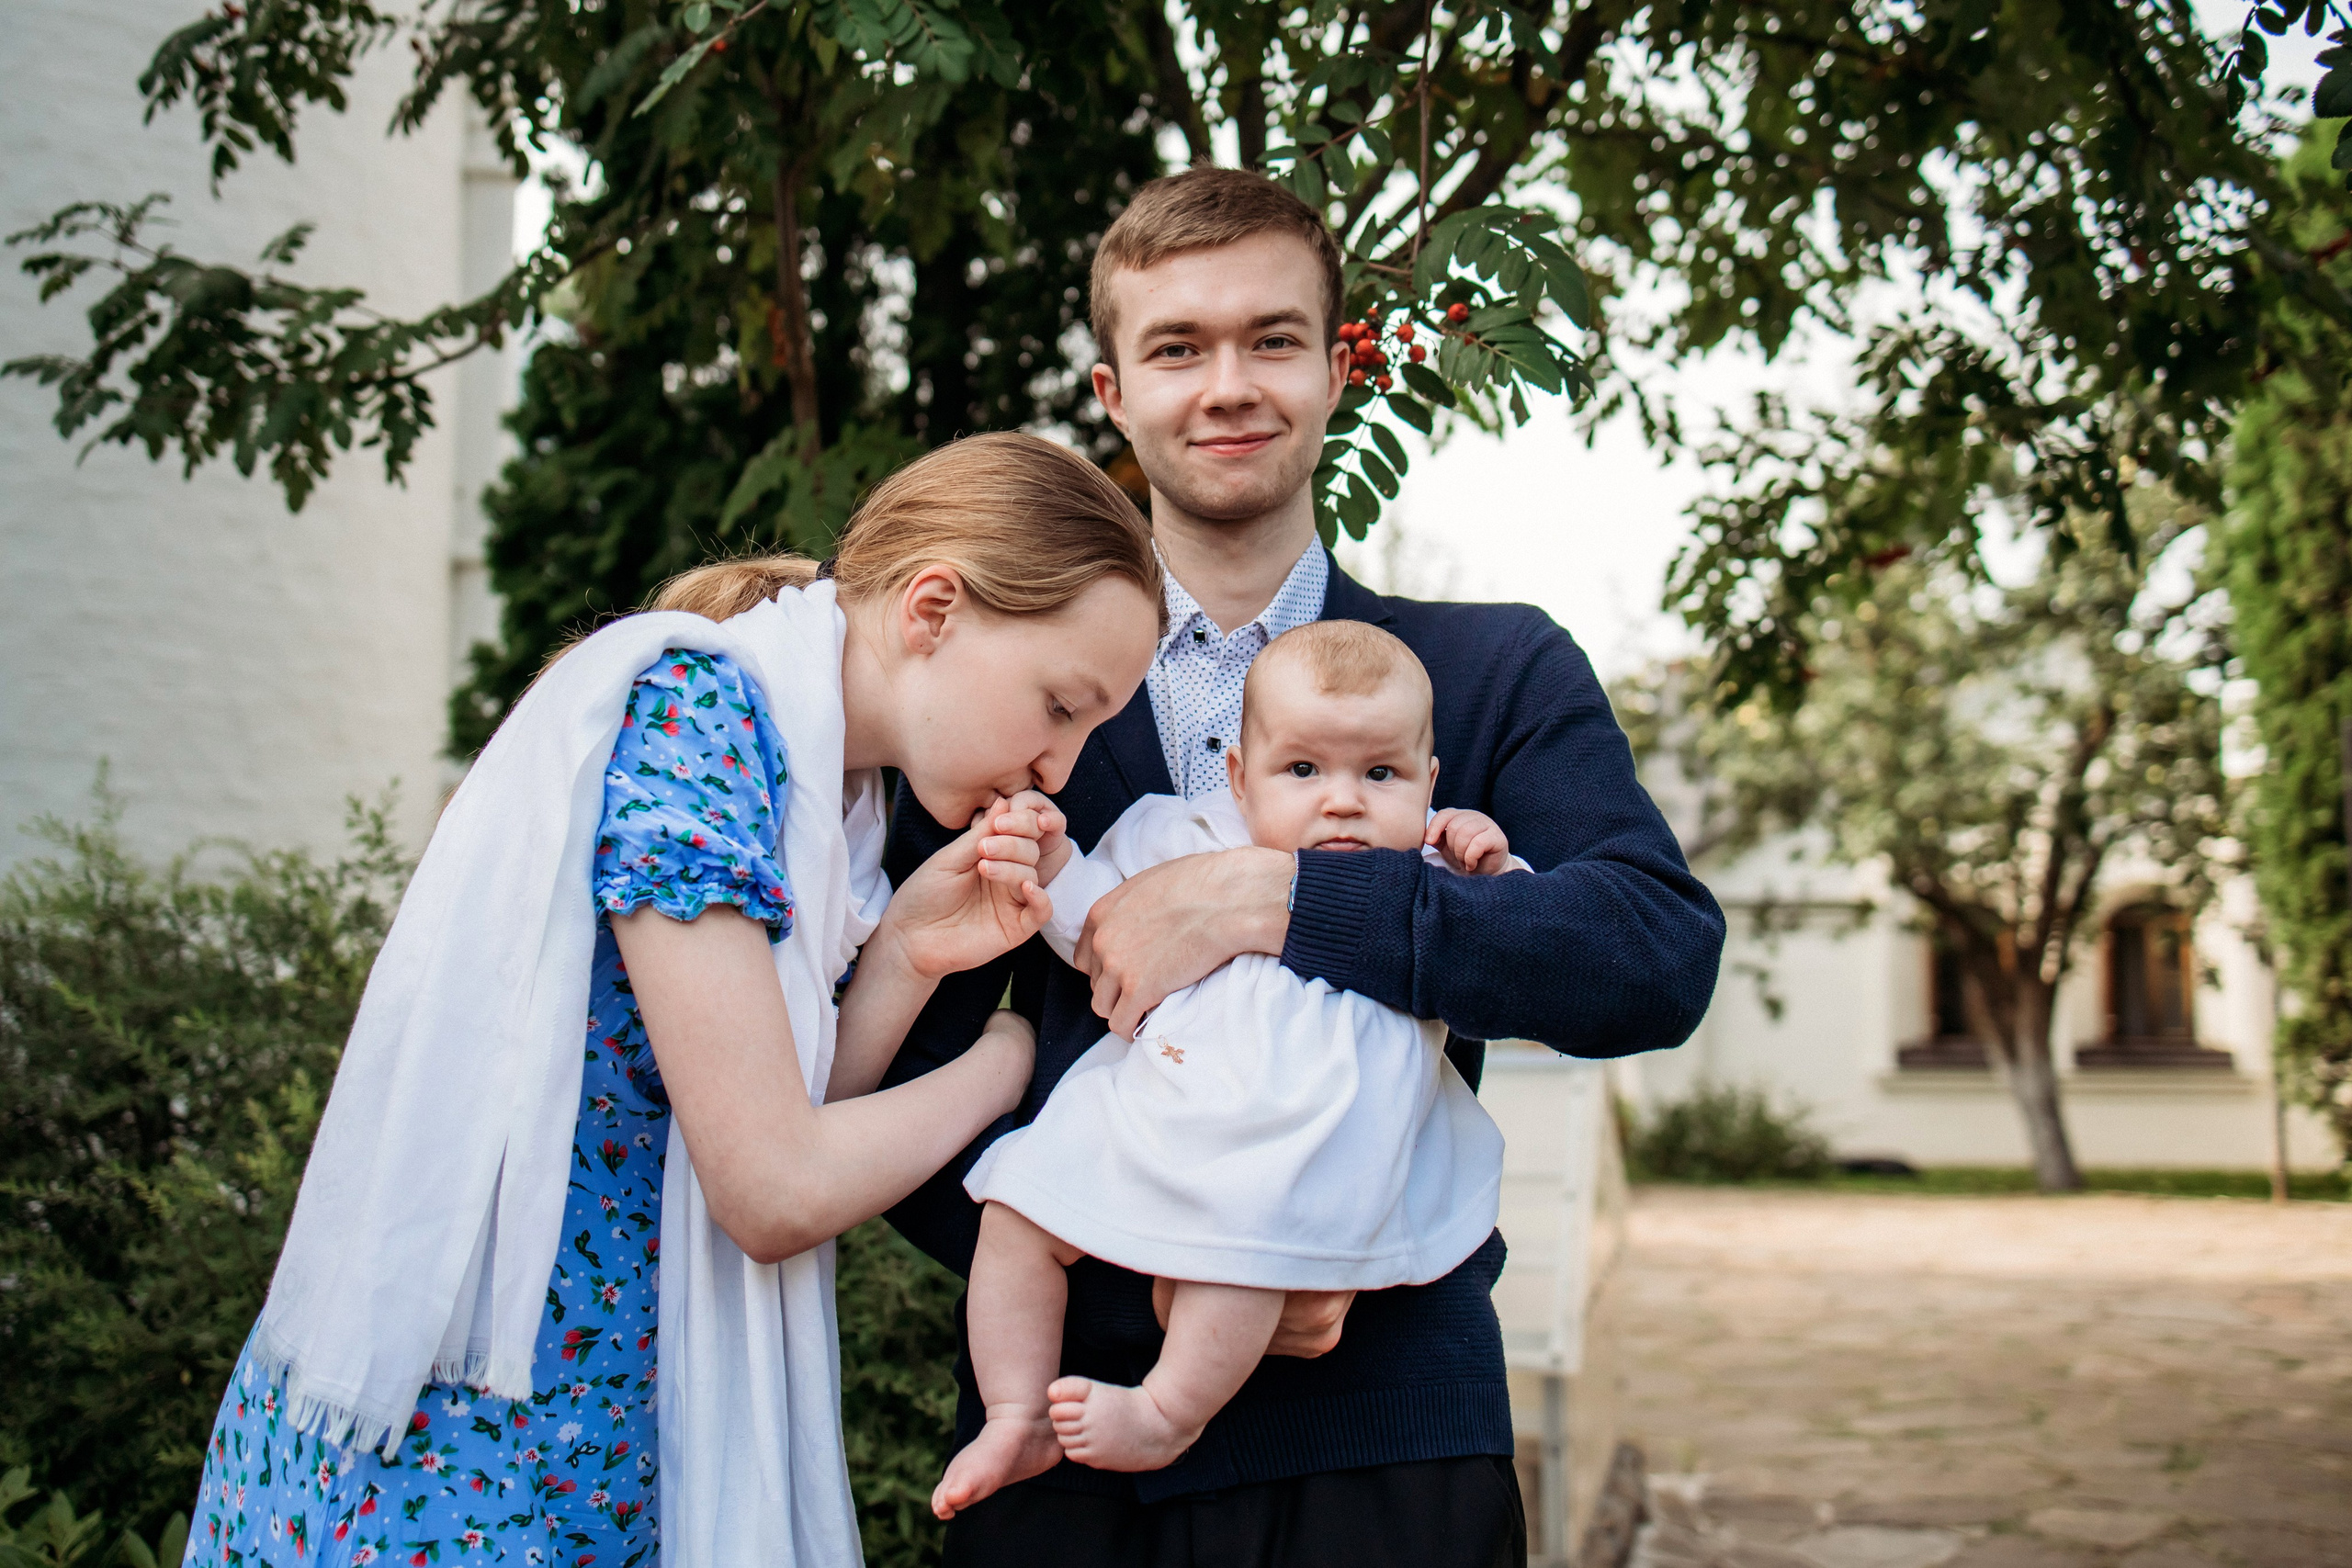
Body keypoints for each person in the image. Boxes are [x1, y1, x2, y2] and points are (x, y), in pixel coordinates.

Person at [879, 169, 1727, 1568]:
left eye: (1273, 340)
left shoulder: (1492, 670)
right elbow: (892, 1047)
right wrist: (1149, 1251)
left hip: (1385, 1434)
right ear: (1111, 390)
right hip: (1066, 1454)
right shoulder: (990, 697)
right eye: (1177, 347)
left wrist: (1281, 896)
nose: (1228, 385)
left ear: (1338, 370)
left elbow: (1650, 953)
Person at [182, 433, 1164, 1568]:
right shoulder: (699, 718)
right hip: (480, 1434)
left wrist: (903, 952)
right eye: (1060, 705)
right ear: (932, 609)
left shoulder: (832, 799)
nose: (1060, 765)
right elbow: (771, 1186)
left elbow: (759, 1113)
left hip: (598, 1413)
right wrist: (1012, 1055)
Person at [934, 620, 1522, 1518]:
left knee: (1242, 1253)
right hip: (1156, 1103)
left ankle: (1169, 1411)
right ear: (1239, 777)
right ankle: (1017, 1409)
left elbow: (1517, 953)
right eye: (1303, 771)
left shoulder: (1429, 874)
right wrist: (1052, 861)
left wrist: (1493, 867)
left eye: (1381, 774)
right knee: (1017, 1209)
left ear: (1428, 781)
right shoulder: (1181, 836)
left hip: (1293, 1139)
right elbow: (1093, 927)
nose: (1342, 802)